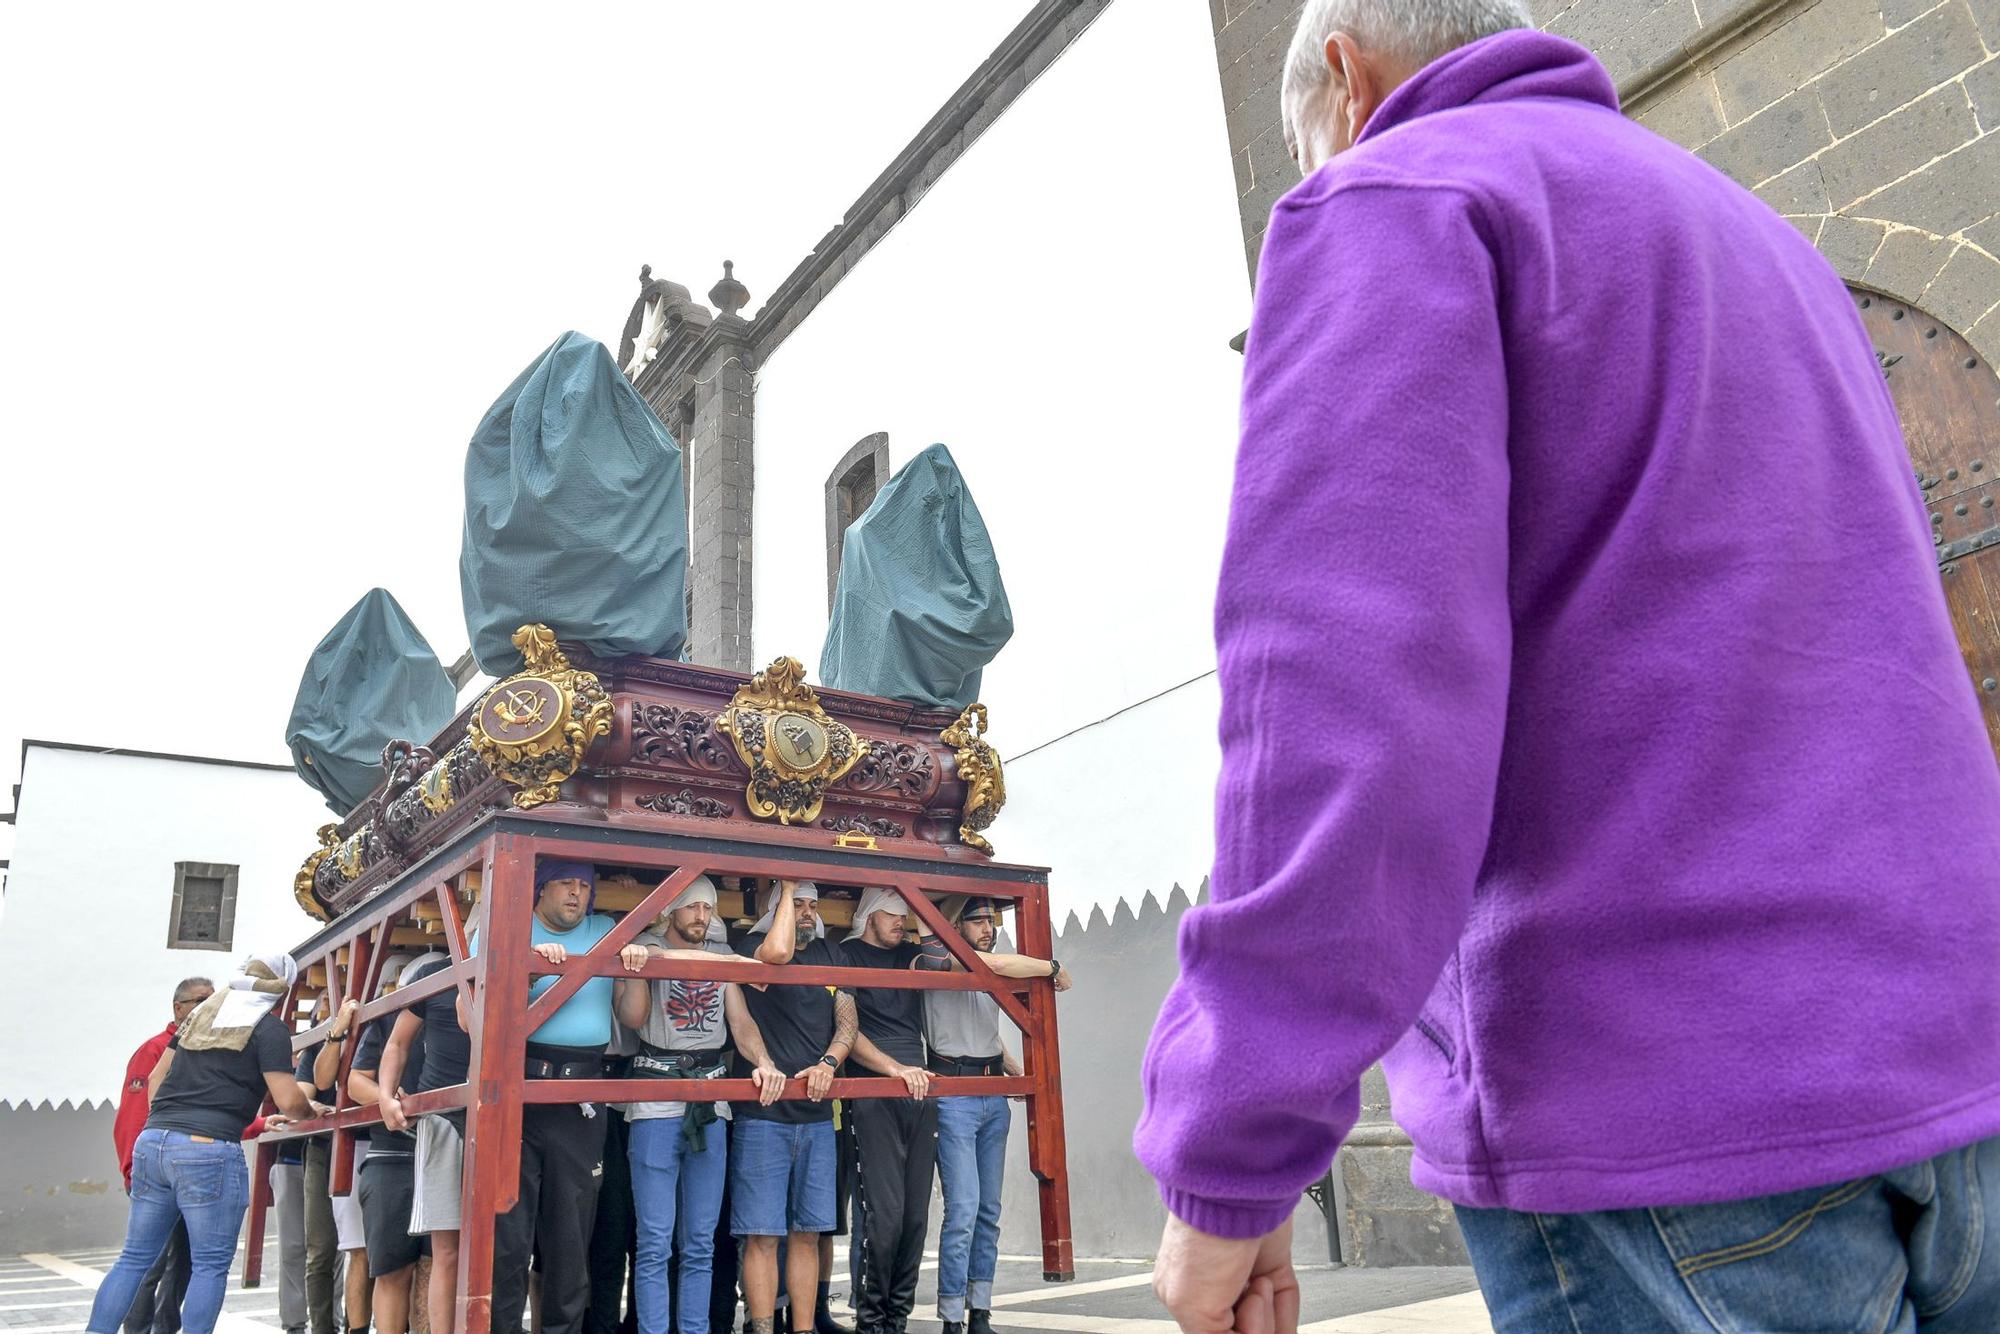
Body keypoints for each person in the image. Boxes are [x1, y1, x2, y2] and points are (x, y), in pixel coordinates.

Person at [1136, 1, 2000, 1330]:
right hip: (1962, 1077)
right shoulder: (1765, 244)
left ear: (1340, 75)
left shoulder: (1398, 199)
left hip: (1670, 1130)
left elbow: (1347, 714)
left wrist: (1229, 1155)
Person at [462, 860, 650, 1334]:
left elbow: (632, 1018)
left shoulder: (606, 928)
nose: (576, 893)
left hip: (582, 1091)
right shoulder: (503, 924)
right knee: (508, 1234)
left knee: (571, 1234)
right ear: (540, 889)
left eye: (584, 886)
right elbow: (472, 1017)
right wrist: (528, 968)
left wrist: (635, 969)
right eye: (565, 883)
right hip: (517, 1087)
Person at [87, 953, 314, 1334]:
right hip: (208, 1149)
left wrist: (172, 1118)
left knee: (134, 1259)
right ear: (282, 989)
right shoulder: (267, 1026)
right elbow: (289, 1100)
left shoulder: (198, 1018)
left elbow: (158, 1077)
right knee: (209, 1264)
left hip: (155, 1140)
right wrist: (310, 1111)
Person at [916, 900, 1070, 1334]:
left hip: (991, 1093)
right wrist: (1052, 967)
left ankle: (980, 1309)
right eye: (979, 921)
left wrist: (1014, 1073)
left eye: (992, 921)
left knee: (988, 1210)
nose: (988, 928)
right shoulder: (939, 959)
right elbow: (1001, 960)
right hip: (955, 1095)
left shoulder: (989, 970)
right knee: (962, 1210)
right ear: (955, 925)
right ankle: (950, 1316)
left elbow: (987, 1034)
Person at [616, 874, 757, 1334]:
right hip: (656, 1099)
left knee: (699, 1240)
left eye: (707, 908)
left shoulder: (721, 959)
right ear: (671, 909)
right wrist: (639, 966)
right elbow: (633, 1019)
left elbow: (741, 1023)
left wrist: (766, 1062)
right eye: (692, 906)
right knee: (655, 1241)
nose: (702, 916)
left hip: (710, 1102)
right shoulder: (645, 945)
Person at [727, 882, 856, 1334]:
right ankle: (761, 1327)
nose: (805, 913)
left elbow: (847, 1022)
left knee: (808, 1232)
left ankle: (803, 1329)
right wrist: (784, 889)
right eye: (796, 904)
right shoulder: (750, 947)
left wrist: (829, 1063)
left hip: (817, 1114)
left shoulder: (832, 954)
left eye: (811, 905)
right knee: (761, 1233)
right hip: (764, 1114)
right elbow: (778, 953)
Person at [837, 890, 937, 1334]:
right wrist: (894, 1068)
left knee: (916, 1215)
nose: (901, 922)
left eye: (906, 914)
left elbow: (947, 953)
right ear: (868, 916)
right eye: (893, 914)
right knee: (885, 1213)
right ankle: (871, 1318)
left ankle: (898, 1317)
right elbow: (847, 1029)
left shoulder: (914, 955)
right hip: (873, 1085)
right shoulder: (847, 955)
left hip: (919, 1085)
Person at [114, 977, 215, 1334]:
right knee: (149, 1264)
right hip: (154, 1174)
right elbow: (133, 1117)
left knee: (185, 1263)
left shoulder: (207, 1052)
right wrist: (133, 1170)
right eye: (201, 999)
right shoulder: (154, 1051)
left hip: (193, 1174)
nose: (208, 1006)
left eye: (213, 1000)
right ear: (179, 1007)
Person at [378, 951, 471, 1334]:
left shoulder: (524, 961)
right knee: (446, 1249)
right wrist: (385, 1094)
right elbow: (398, 1043)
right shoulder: (436, 972)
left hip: (506, 1111)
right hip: (443, 1116)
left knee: (505, 1246)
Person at [348, 954, 438, 1334]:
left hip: (443, 1148)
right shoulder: (389, 1018)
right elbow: (354, 1082)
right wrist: (387, 1099)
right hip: (392, 1154)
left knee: (438, 1265)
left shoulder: (462, 1013)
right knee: (392, 1269)